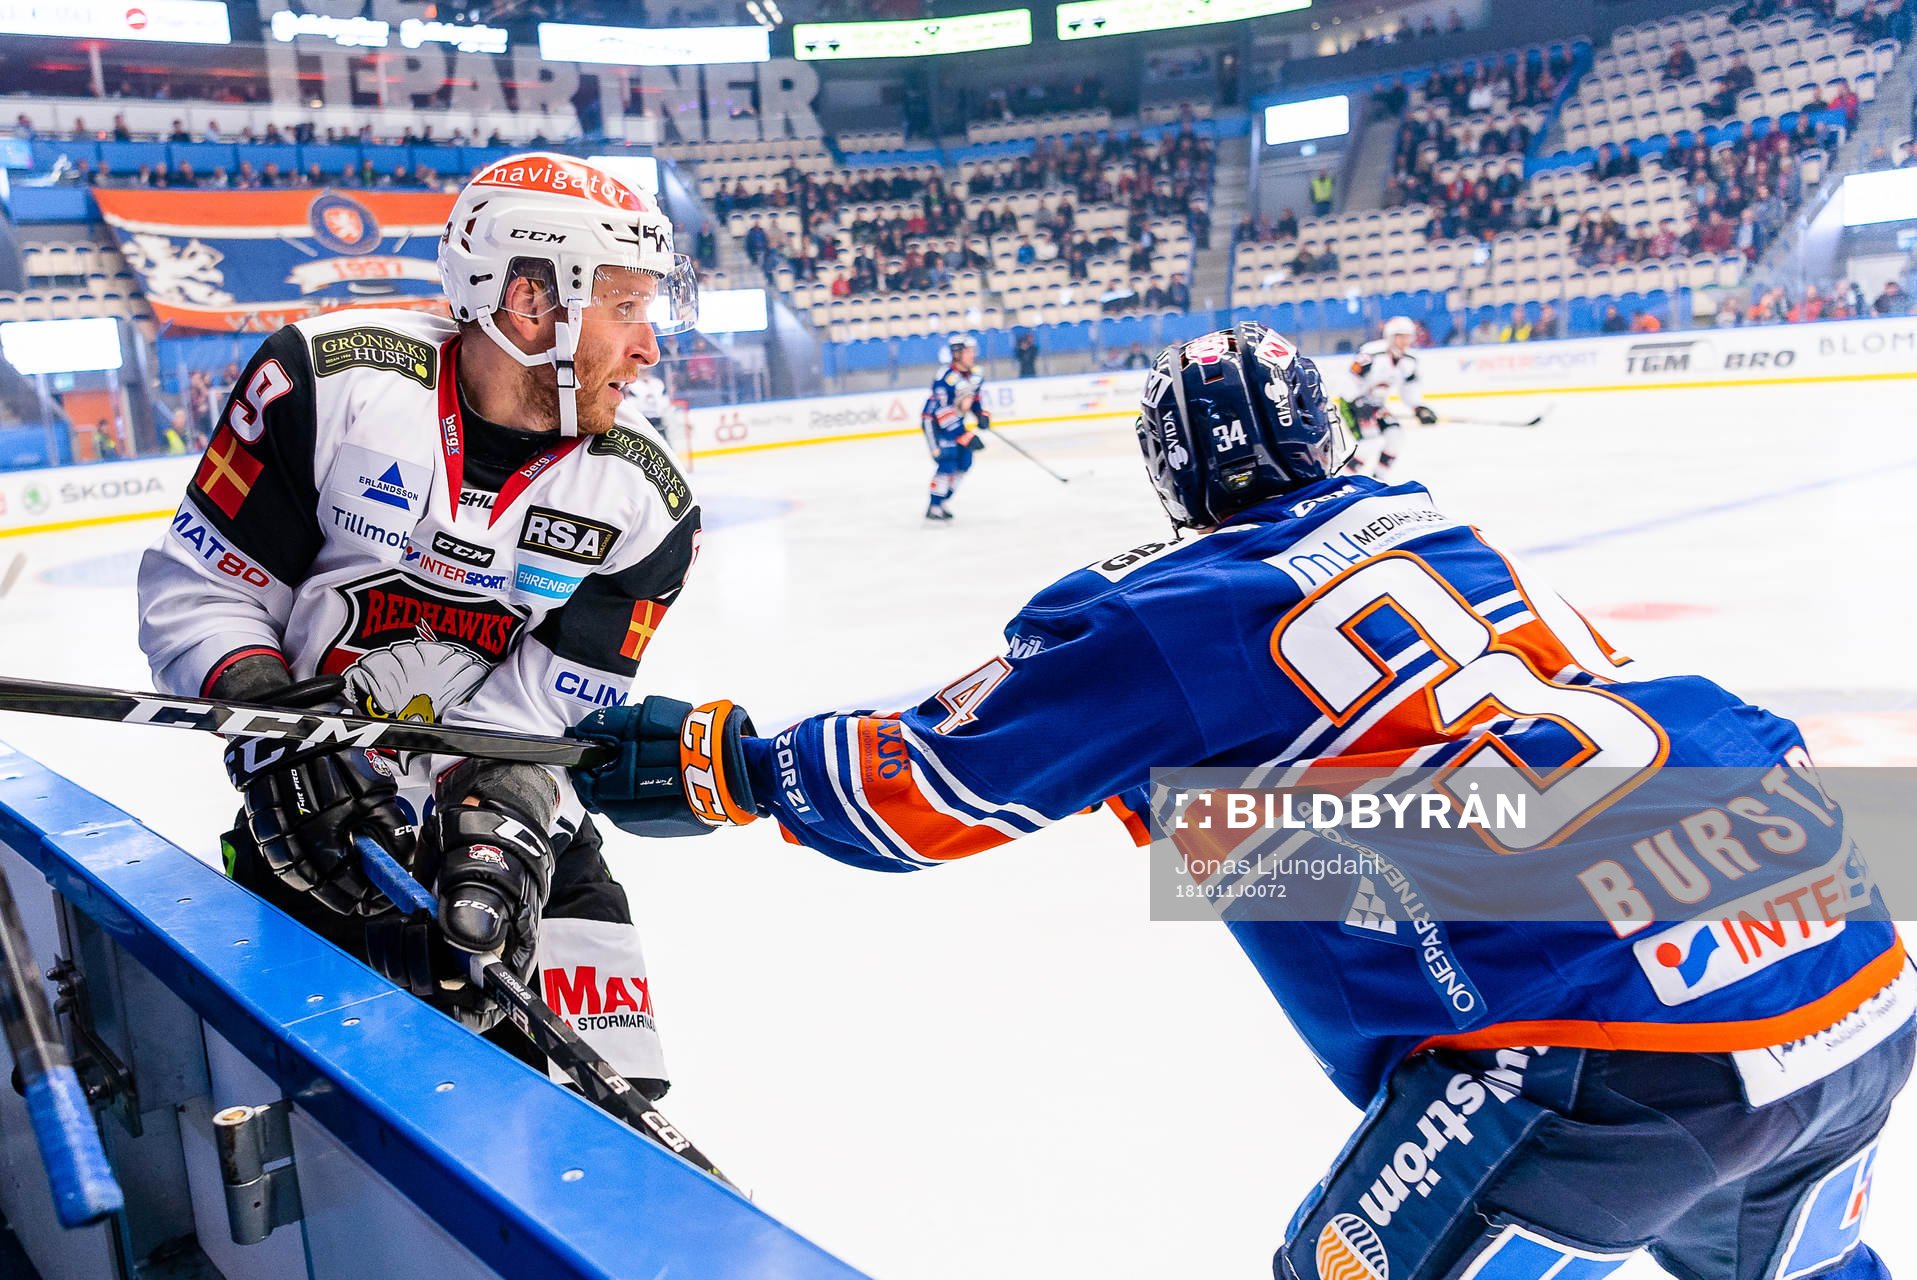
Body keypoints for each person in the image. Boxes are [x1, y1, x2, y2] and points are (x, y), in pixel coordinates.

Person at [567, 321, 1912, 1280]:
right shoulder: (1448, 531)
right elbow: (1410, 820)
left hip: (1607, 1047)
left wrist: (725, 765)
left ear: (1171, 477)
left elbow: (927, 787)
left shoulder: (1172, 608)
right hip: (1845, 948)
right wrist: (1158, 804)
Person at [134, 154, 706, 1100]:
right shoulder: (321, 384)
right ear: (528, 299)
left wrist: (497, 836)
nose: (650, 348)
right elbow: (202, 590)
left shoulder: (648, 499)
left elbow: (547, 711)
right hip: (315, 816)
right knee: (346, 1123)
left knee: (610, 1114)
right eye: (626, 309)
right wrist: (272, 734)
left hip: (518, 818)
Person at [1340, 315, 1434, 482]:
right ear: (1390, 337)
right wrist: (1358, 400)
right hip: (1352, 404)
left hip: (1376, 405)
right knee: (1369, 443)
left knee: (1396, 437)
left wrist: (1418, 407)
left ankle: (1379, 479)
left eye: (1408, 336)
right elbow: (1349, 379)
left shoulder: (1410, 361)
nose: (1405, 341)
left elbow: (1409, 388)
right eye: (1400, 336)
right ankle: (1341, 481)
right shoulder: (1372, 353)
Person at [921, 334, 990, 522]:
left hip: (957, 424)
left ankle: (943, 501)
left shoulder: (976, 374)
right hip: (936, 425)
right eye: (969, 351)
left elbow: (974, 398)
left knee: (964, 462)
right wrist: (965, 435)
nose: (973, 355)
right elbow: (943, 414)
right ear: (957, 354)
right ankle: (934, 506)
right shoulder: (944, 378)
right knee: (947, 462)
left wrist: (981, 414)